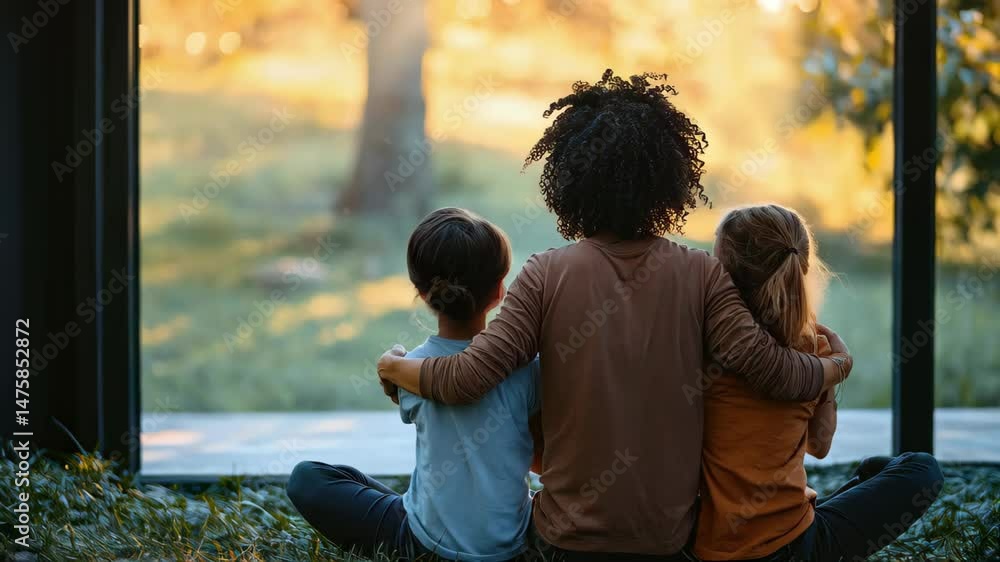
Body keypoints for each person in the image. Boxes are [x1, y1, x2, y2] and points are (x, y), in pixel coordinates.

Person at [376, 70, 854, 560]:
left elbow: (468, 377)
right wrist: (835, 367)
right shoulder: (702, 276)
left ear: (568, 180)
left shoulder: (546, 274)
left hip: (565, 544)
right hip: (667, 544)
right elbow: (776, 374)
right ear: (669, 181)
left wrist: (395, 367)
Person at [287, 208, 543, 561]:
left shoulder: (409, 369)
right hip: (510, 551)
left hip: (423, 546)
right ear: (499, 291)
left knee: (308, 478)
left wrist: (394, 363)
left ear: (422, 293)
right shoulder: (528, 369)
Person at [694, 204, 943, 562]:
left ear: (725, 270)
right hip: (797, 547)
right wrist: (829, 371)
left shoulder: (702, 345)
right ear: (802, 266)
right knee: (922, 468)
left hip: (708, 550)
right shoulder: (817, 350)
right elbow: (820, 444)